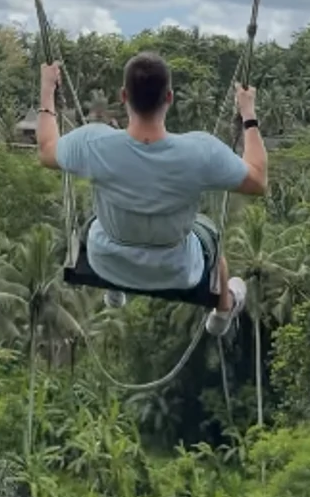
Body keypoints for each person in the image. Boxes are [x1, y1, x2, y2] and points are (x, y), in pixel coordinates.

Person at [36, 51, 267, 336]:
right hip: (176, 270)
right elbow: (258, 181)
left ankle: (117, 286)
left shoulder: (94, 142)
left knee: (98, 219)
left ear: (123, 95)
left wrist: (47, 90)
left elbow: (46, 151)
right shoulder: (200, 152)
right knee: (210, 235)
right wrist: (248, 115)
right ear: (169, 97)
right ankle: (222, 311)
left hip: (107, 261)